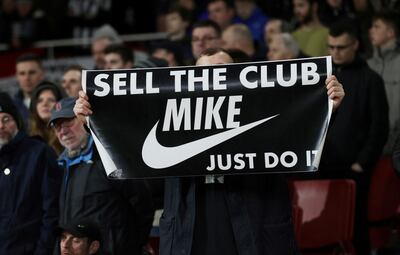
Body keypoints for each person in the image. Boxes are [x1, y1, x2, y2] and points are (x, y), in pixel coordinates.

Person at [74, 48, 345, 255]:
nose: (212, 80)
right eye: (203, 74)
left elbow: (306, 151)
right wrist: (94, 122)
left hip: (254, 231)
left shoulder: (264, 114)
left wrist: (325, 112)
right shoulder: (172, 121)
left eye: (221, 72)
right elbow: (134, 156)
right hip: (187, 233)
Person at [50, 97, 155, 255]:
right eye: (57, 126)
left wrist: (131, 246)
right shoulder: (60, 166)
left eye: (68, 123)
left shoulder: (110, 155)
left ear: (84, 119)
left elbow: (143, 203)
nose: (63, 131)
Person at [319, 20, 389, 255]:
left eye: (341, 47)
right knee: (323, 226)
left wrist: (362, 163)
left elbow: (379, 127)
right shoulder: (322, 78)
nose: (335, 52)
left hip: (354, 168)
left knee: (356, 228)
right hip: (324, 166)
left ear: (355, 45)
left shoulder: (371, 79)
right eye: (331, 47)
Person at [0, 92, 62, 254]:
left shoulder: (39, 152)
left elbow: (52, 210)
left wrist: (43, 250)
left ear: (18, 122)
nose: (1, 126)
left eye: (6, 119)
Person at [368, 10, 400, 155]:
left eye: (376, 27)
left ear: (390, 32)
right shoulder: (367, 65)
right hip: (369, 149)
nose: (371, 31)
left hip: (395, 147)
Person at [29, 81, 64, 154]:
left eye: (51, 100)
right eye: (40, 101)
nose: (44, 104)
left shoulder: (68, 134)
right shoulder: (28, 139)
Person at [14, 53, 45, 128]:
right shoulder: (11, 106)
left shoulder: (57, 102)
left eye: (32, 72)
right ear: (17, 77)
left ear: (42, 74)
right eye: (22, 73)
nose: (27, 78)